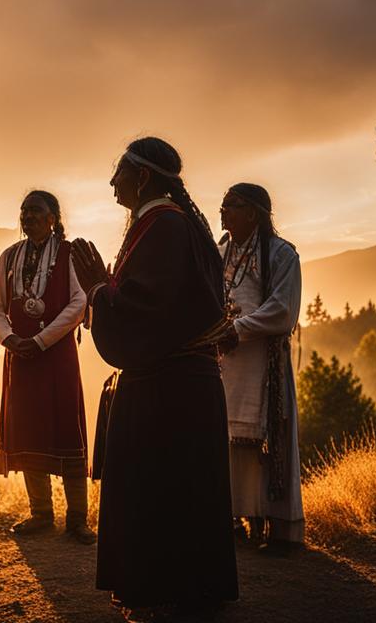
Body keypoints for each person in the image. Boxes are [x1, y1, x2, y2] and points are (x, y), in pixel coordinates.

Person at [71, 137, 238, 612]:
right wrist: (105, 290)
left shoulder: (163, 227)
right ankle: (184, 587)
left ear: (143, 176)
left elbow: (145, 314)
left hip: (169, 392)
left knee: (164, 491)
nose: (111, 181)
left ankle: (168, 590)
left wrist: (99, 290)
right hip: (180, 388)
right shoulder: (166, 225)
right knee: (181, 490)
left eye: (118, 172)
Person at [0, 191, 94, 544]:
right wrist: (10, 339)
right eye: (23, 211)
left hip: (56, 355)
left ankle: (77, 518)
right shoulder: (10, 257)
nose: (27, 216)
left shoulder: (69, 254)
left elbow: (79, 302)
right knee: (29, 428)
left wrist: (43, 339)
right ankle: (41, 513)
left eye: (35, 210)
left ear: (53, 217)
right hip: (21, 356)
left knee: (66, 427)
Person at [217, 183, 304, 552]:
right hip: (225, 363)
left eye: (231, 206)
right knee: (227, 442)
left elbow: (283, 309)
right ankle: (237, 520)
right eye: (222, 206)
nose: (223, 212)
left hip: (262, 363)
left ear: (253, 213)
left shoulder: (282, 255)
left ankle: (279, 530)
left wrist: (237, 329)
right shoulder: (220, 252)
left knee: (268, 443)